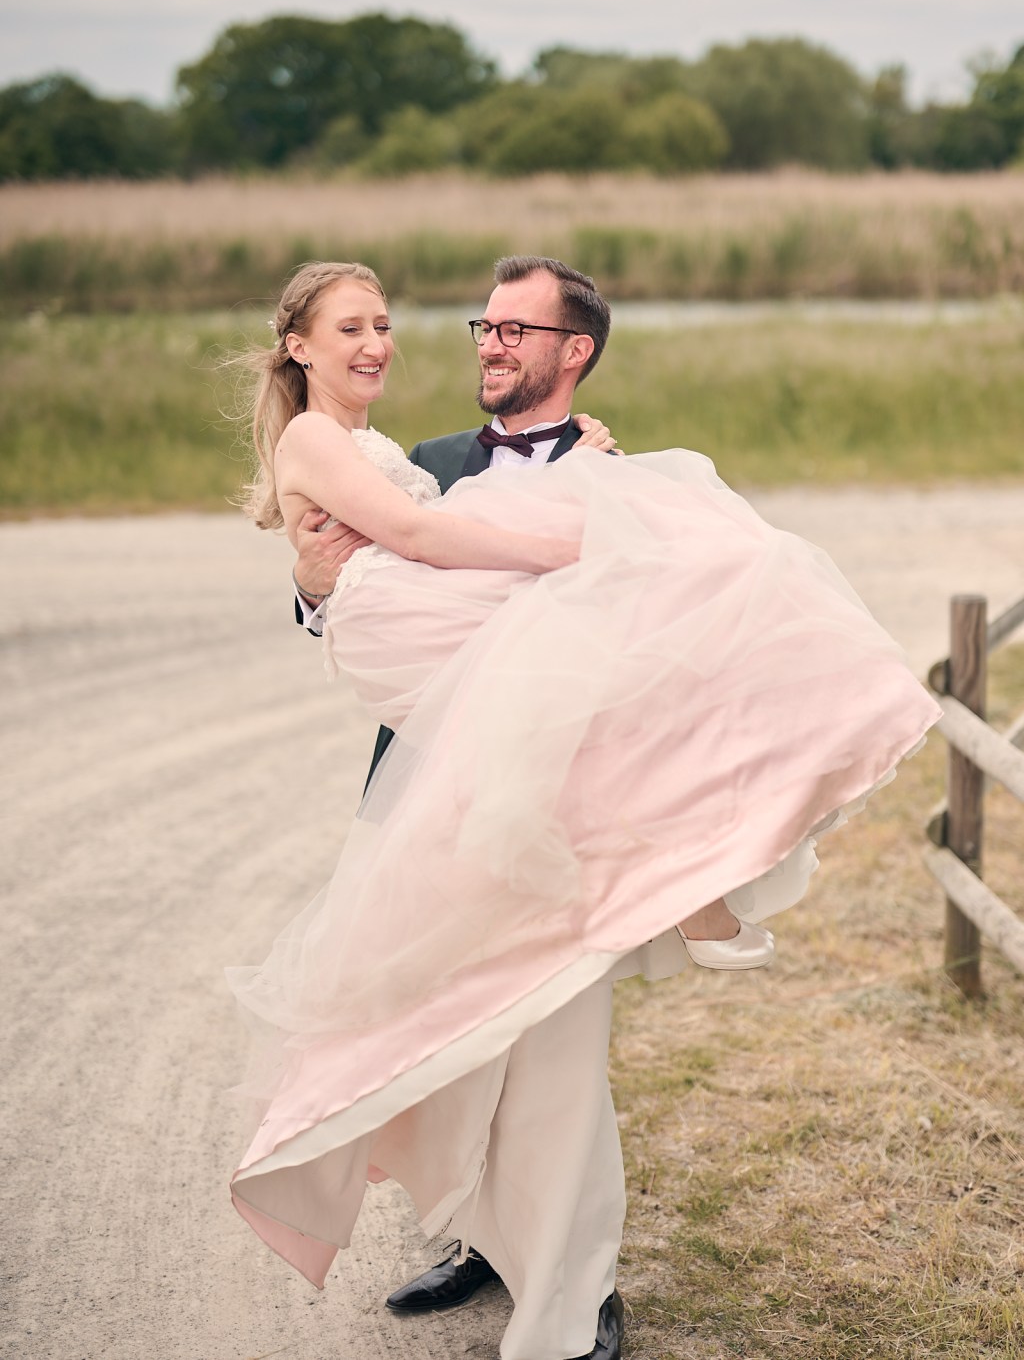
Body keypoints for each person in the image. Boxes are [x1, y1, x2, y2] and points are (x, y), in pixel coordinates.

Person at [229, 259, 940, 1360]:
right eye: (485, 325)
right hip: (439, 793)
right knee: (458, 1043)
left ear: (576, 353)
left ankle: (579, 1289)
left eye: (519, 330)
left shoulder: (614, 473)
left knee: (556, 1060)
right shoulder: (423, 463)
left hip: (567, 821)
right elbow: (360, 572)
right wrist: (315, 587)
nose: (490, 345)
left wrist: (600, 526)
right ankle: (480, 1245)